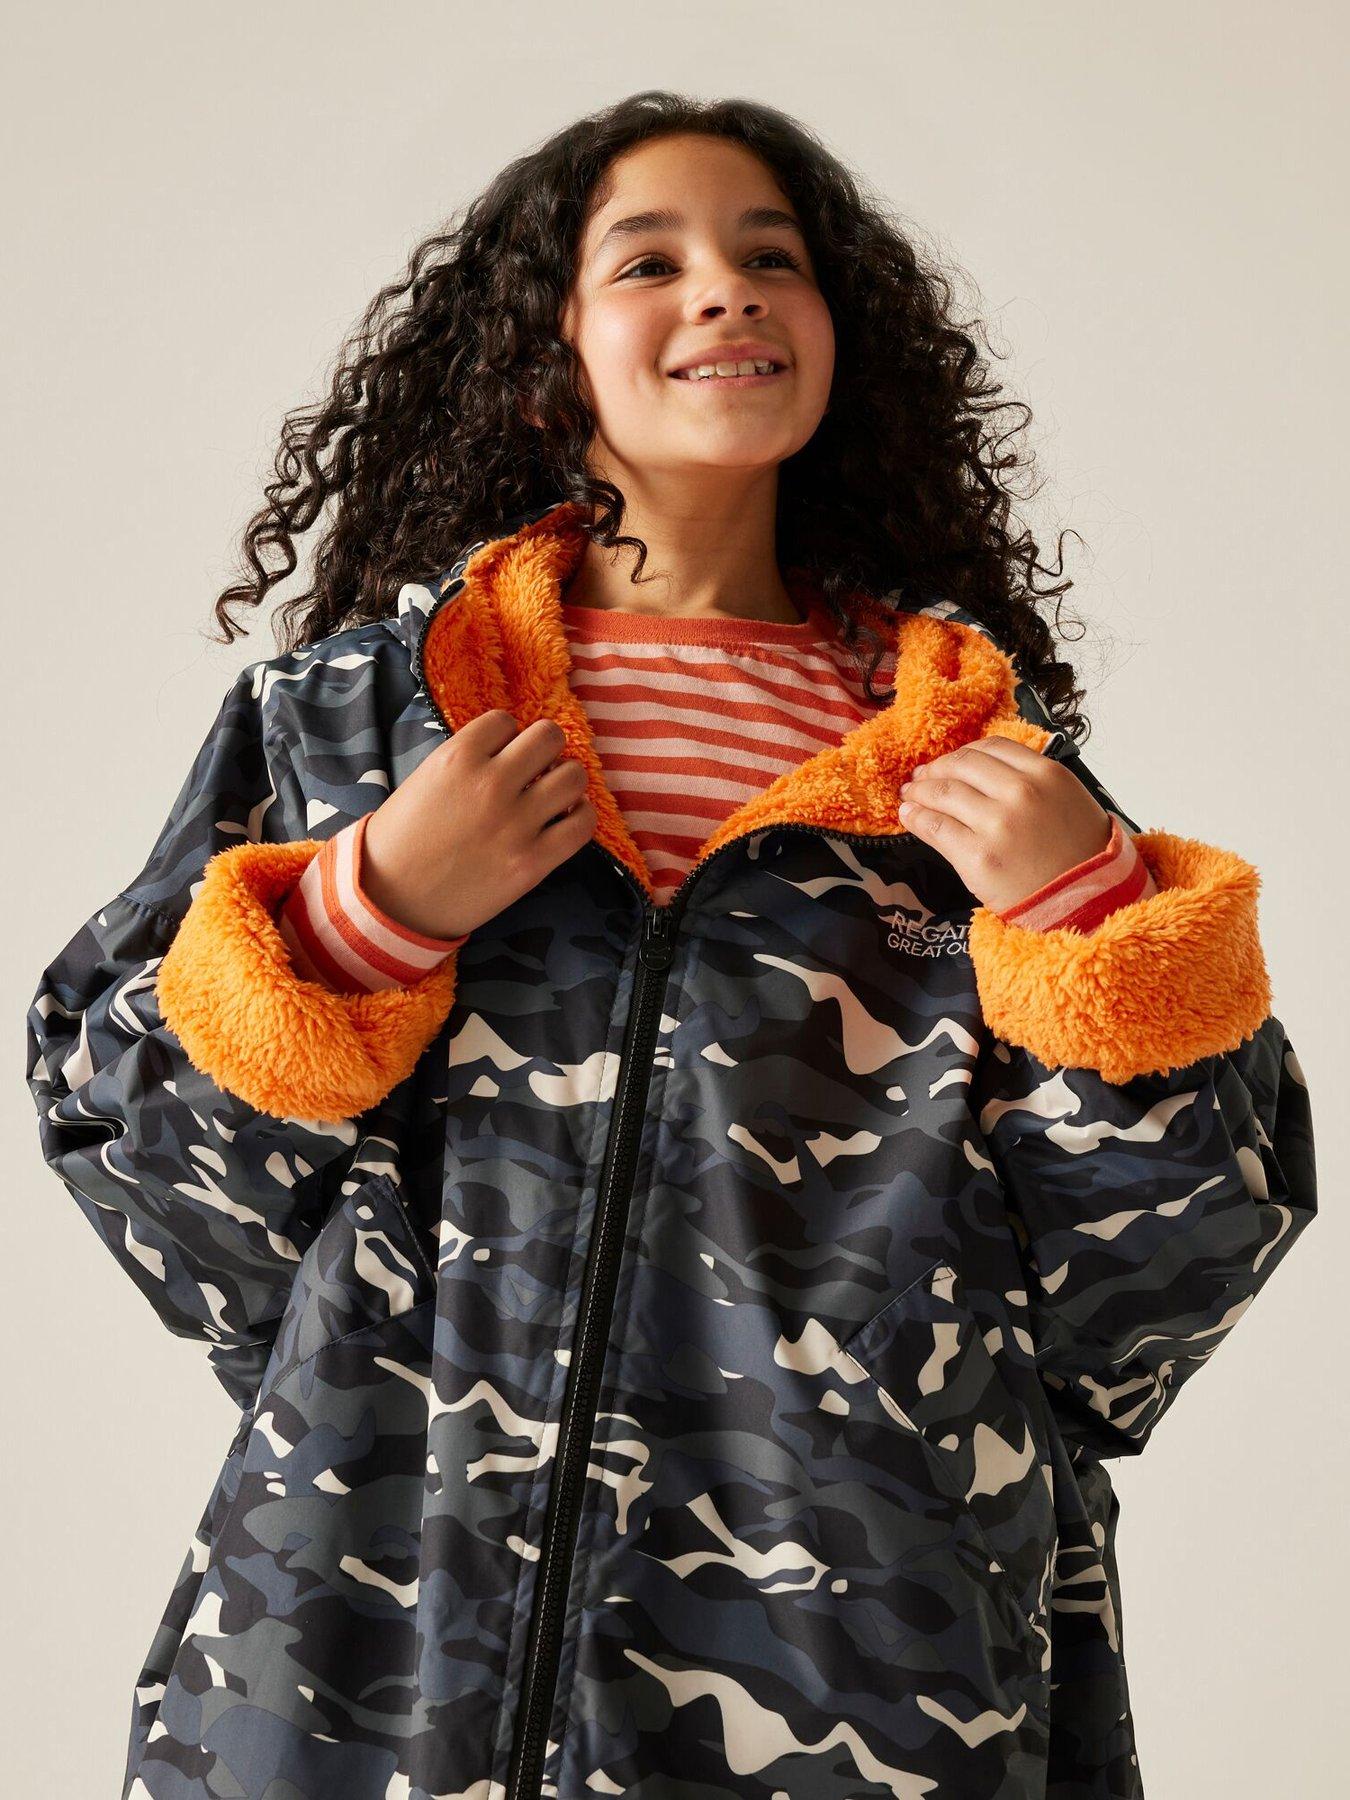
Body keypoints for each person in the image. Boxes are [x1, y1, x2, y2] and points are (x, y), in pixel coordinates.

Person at [24, 91, 1317, 1800]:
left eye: (771, 257)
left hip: (871, 1700)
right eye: (649, 260)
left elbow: (1144, 1297)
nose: (724, 288)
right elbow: (162, 1191)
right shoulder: (355, 734)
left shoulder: (975, 778)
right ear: (542, 352)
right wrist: (362, 916)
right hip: (358, 1675)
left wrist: (1088, 919)